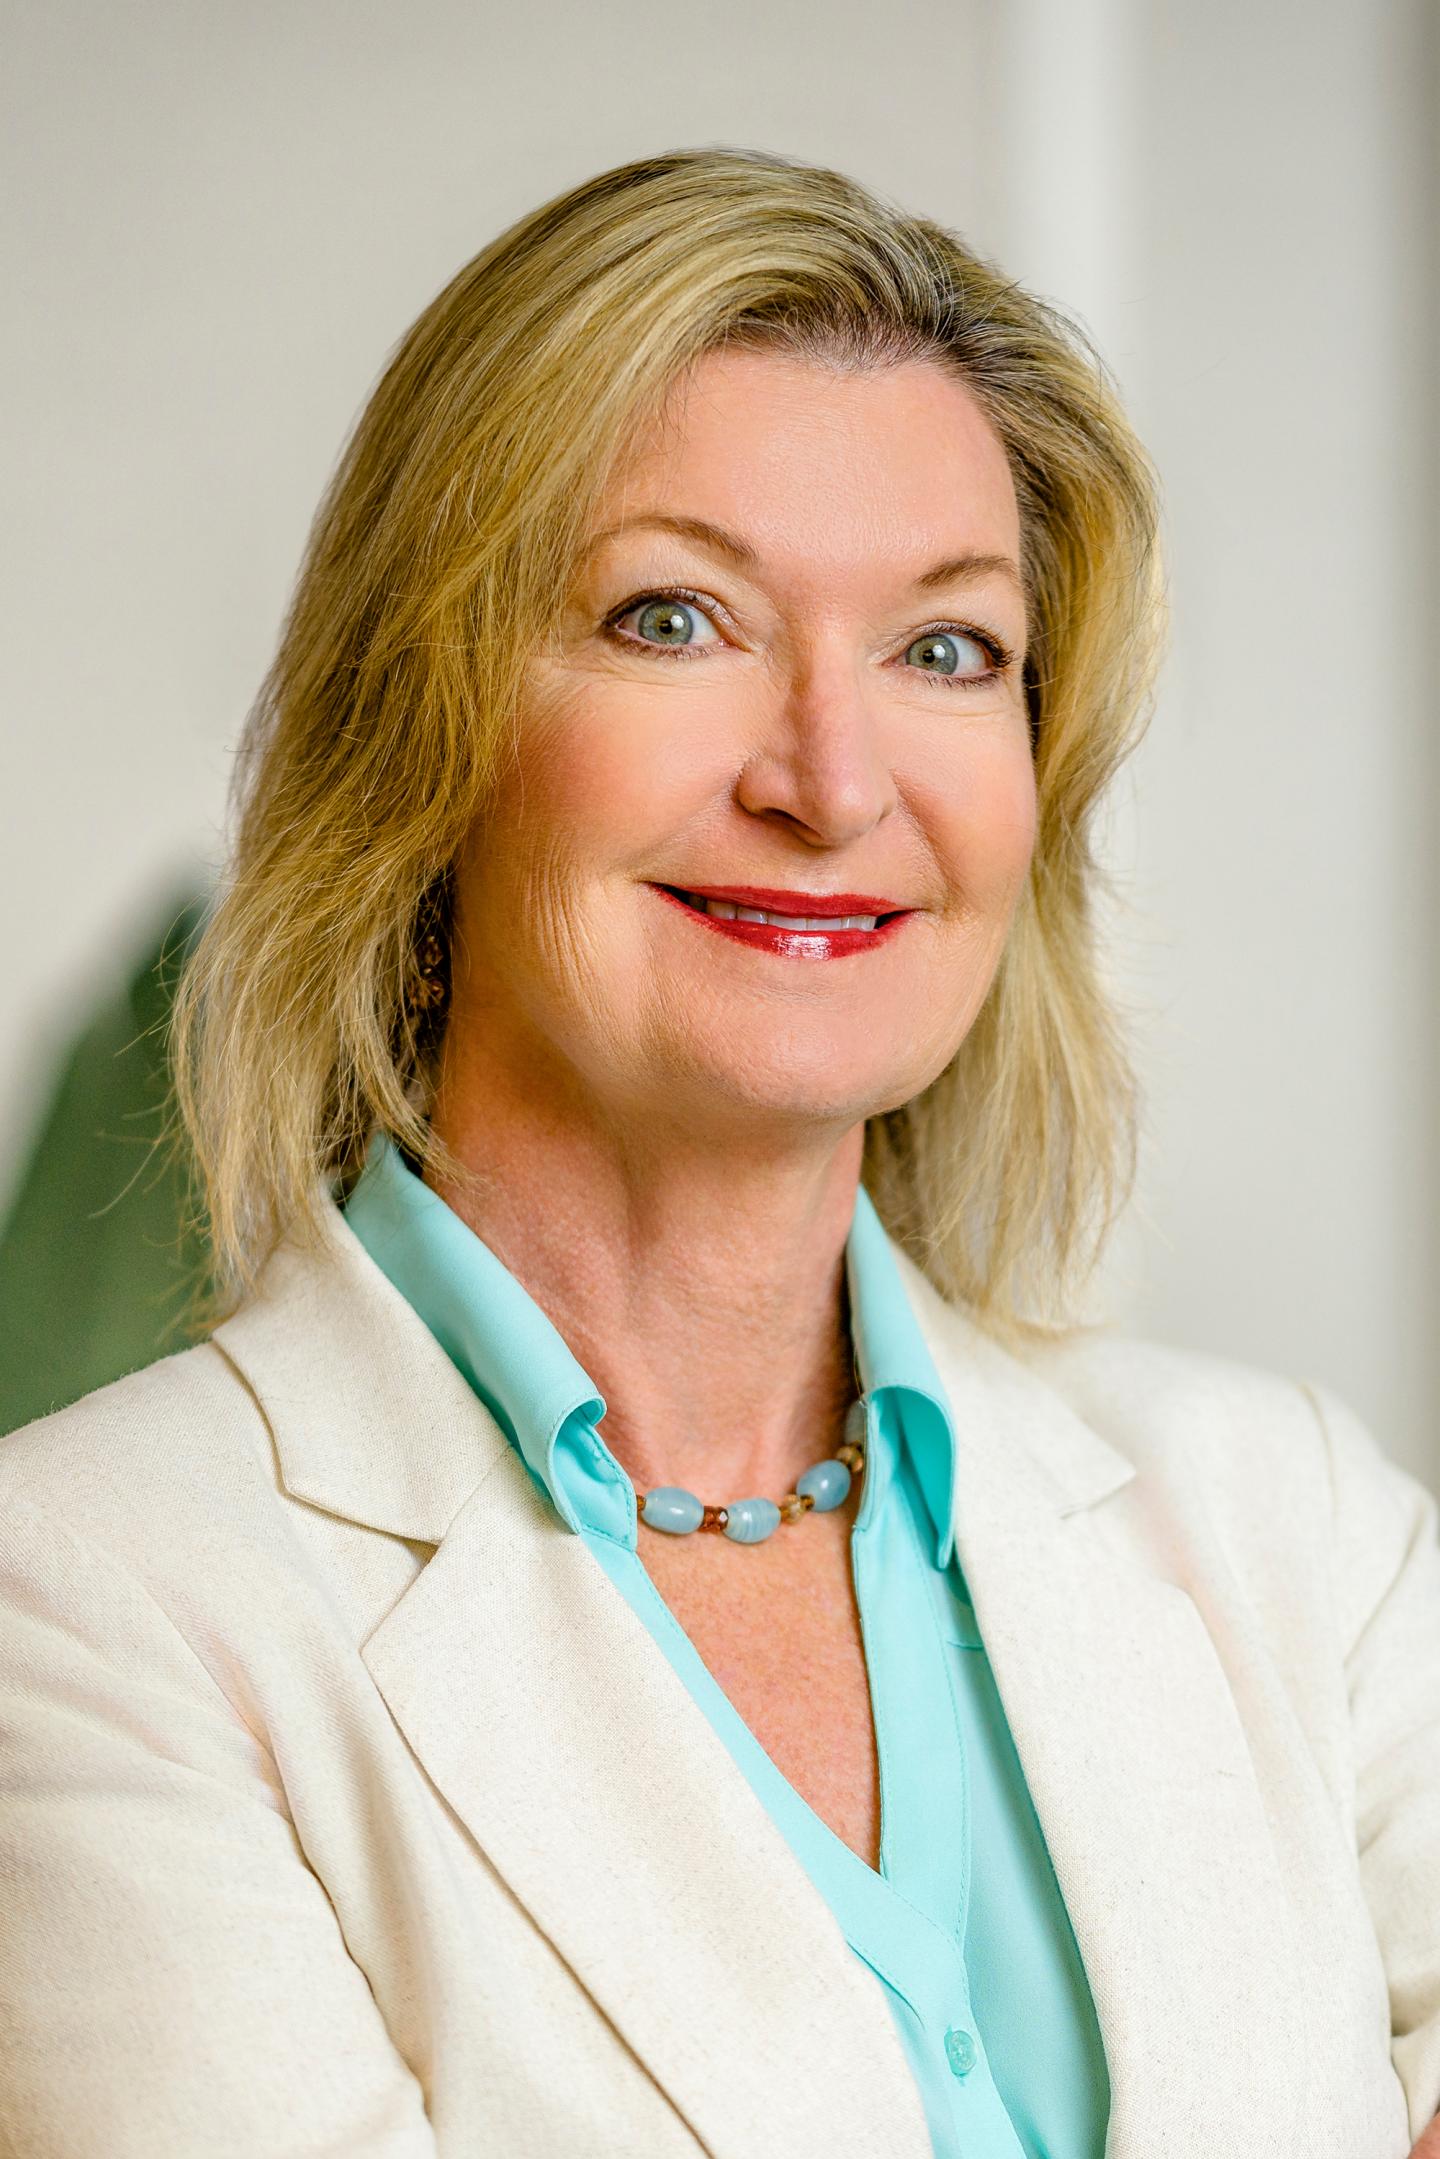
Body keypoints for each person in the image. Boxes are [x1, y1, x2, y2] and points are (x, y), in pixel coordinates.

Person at [0, 148, 1435, 2159]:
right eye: (677, 619)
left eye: (946, 651)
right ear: (429, 730)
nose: (833, 783)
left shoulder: (1310, 1541)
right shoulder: (81, 1607)